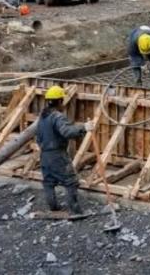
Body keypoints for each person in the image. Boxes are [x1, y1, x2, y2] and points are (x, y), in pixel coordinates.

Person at [36, 85, 95, 214]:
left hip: (44, 155)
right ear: (59, 101)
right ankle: (75, 212)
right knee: (70, 182)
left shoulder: (42, 117)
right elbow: (67, 132)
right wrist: (84, 127)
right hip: (57, 155)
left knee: (49, 182)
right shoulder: (57, 117)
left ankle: (53, 207)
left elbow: (38, 138)